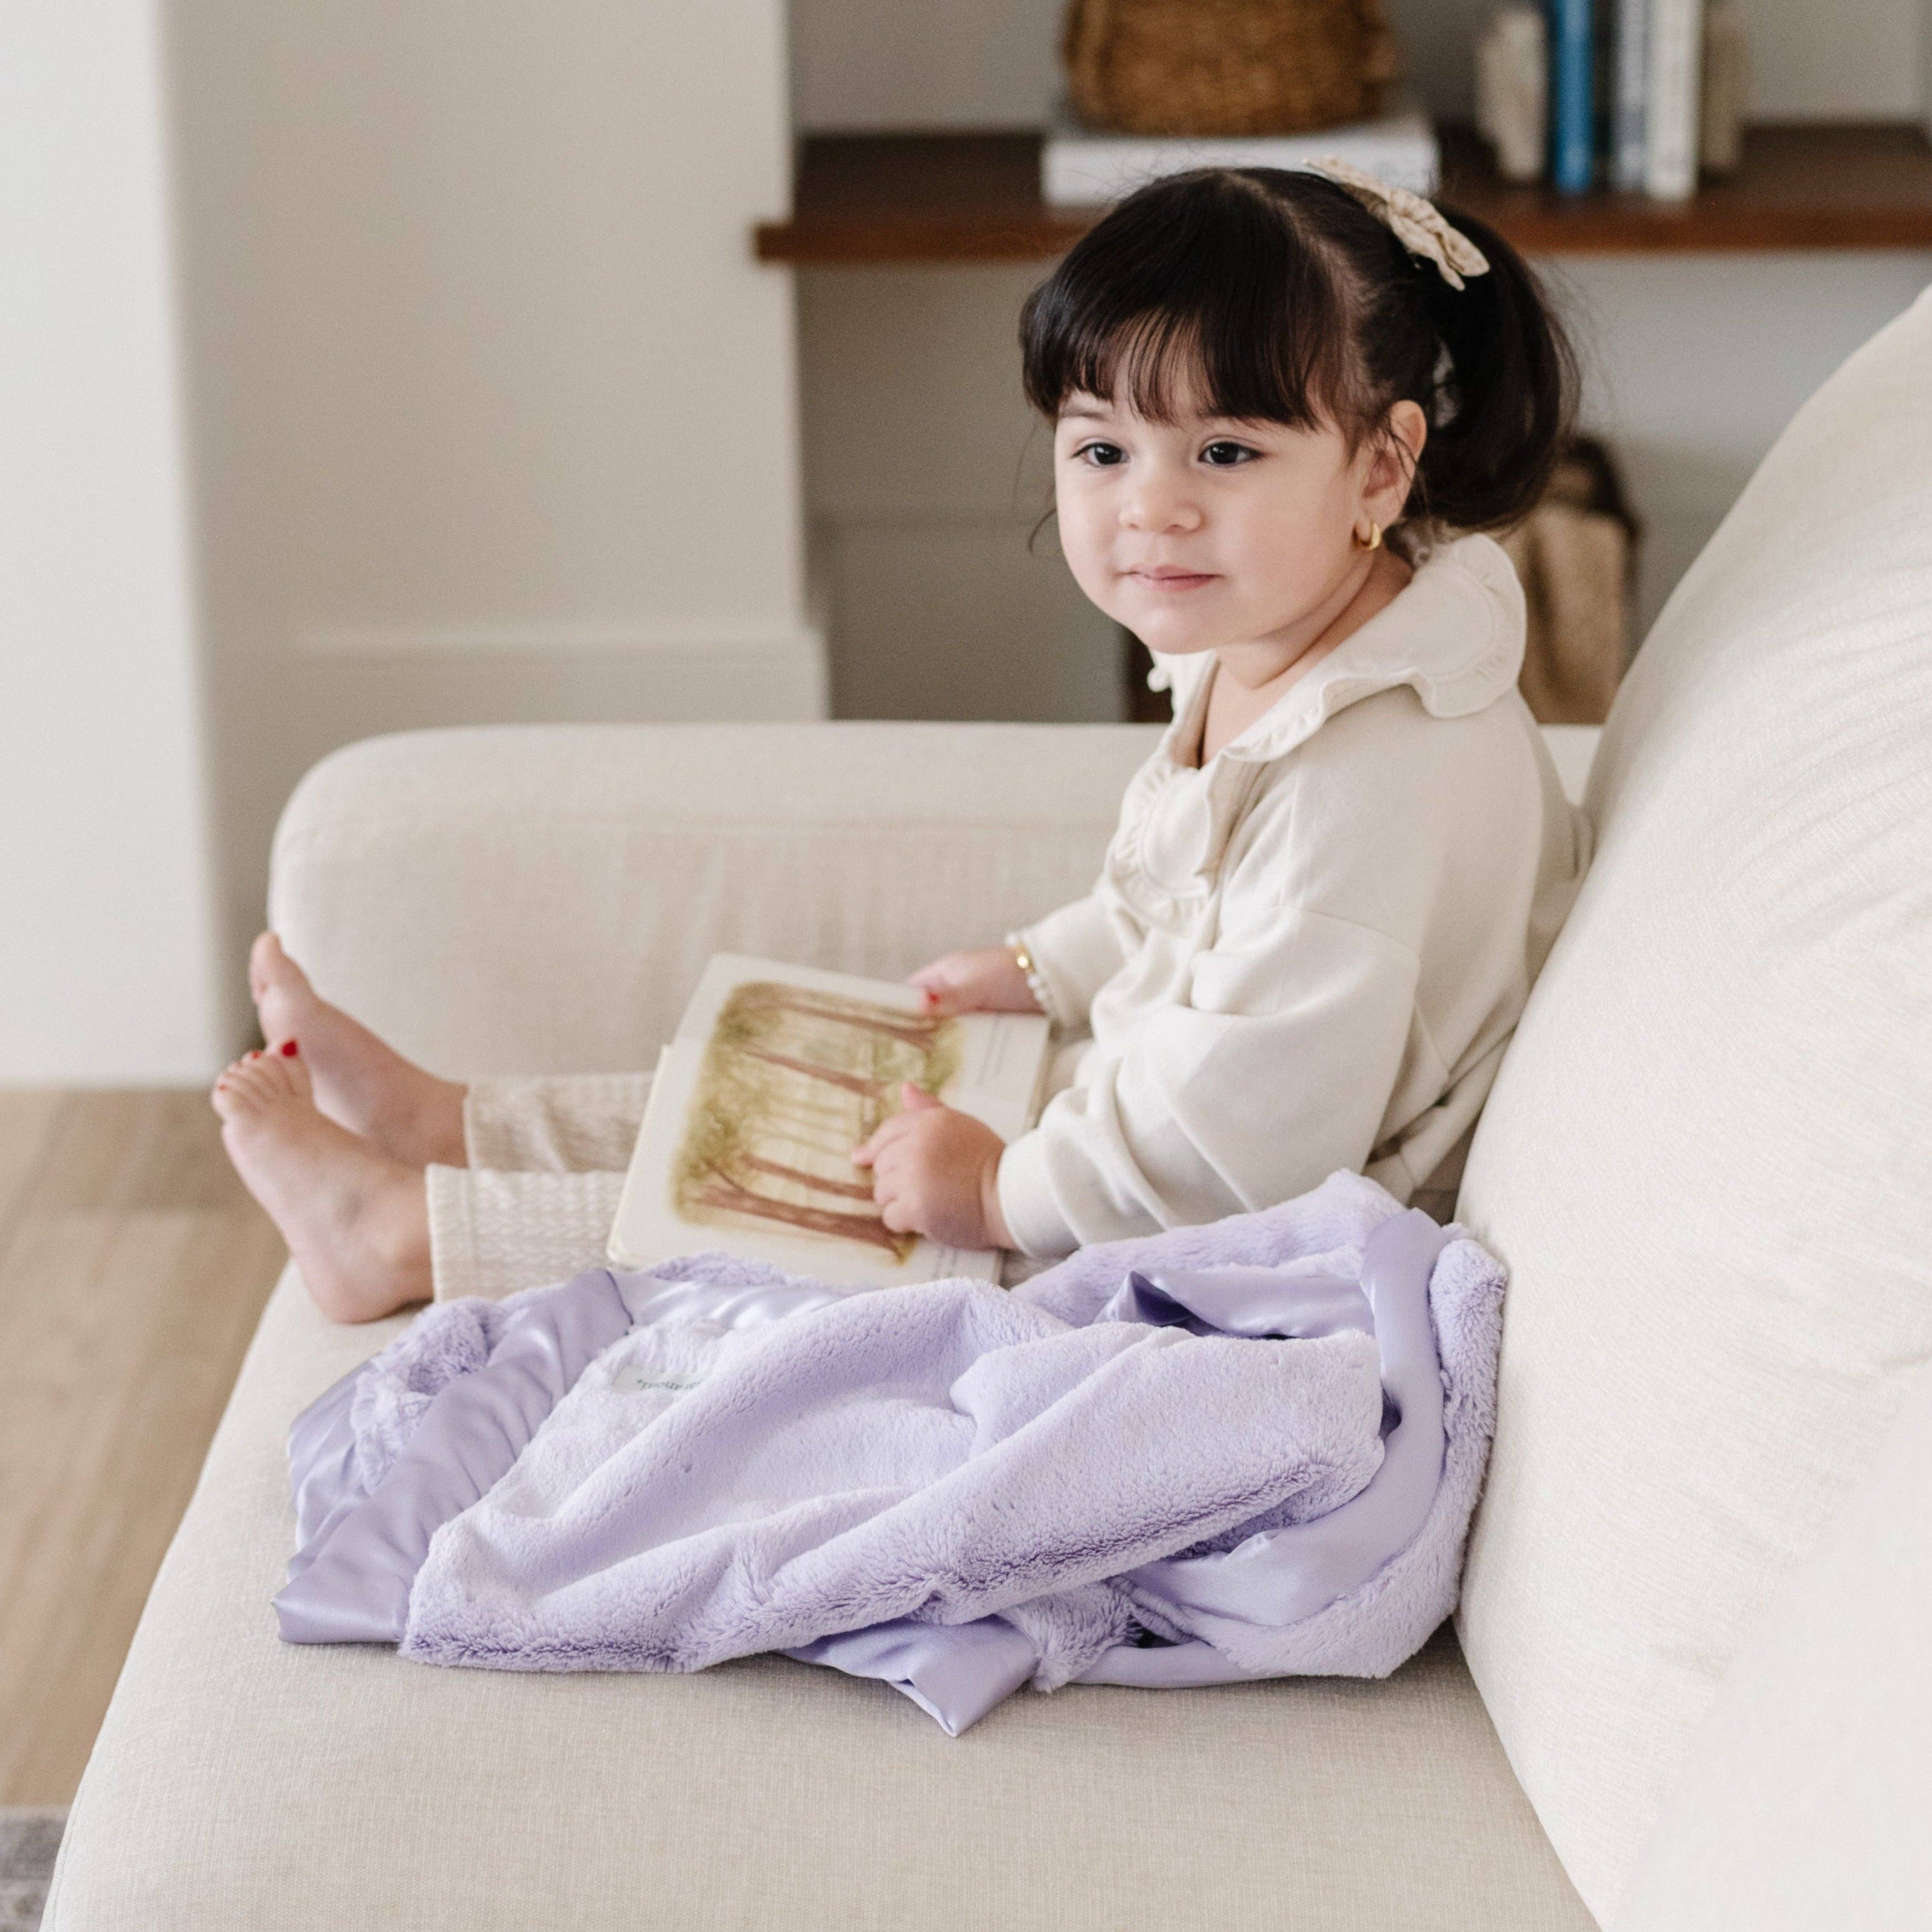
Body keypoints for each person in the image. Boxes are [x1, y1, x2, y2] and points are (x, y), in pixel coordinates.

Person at [213, 159, 1590, 1322]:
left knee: (815, 1203)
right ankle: (458, 1128)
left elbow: (1243, 1143)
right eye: (1101, 449)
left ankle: (401, 1235)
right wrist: (1044, 966)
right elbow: (1178, 902)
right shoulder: (1287, 639)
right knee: (806, 1084)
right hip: (1148, 1114)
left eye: (1223, 452)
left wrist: (992, 1189)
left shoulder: (1371, 778)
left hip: (1222, 1246)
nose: (1149, 508)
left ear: (1379, 465)